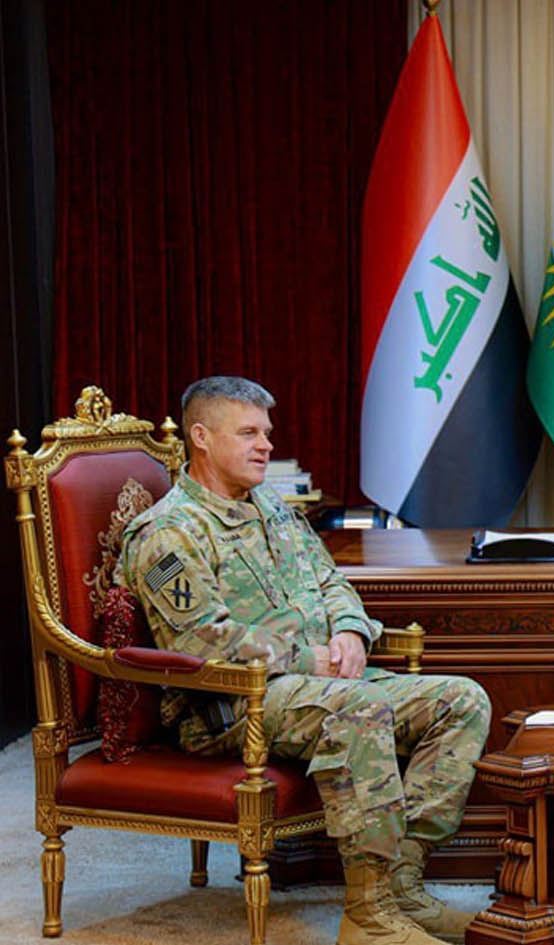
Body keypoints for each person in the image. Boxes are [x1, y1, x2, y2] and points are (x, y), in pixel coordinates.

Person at [117, 376, 491, 945]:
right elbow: (198, 641)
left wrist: (350, 631)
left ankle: (401, 885)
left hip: (322, 685)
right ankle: (367, 916)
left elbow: (330, 580)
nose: (266, 445)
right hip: (231, 706)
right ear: (201, 437)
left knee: (461, 700)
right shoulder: (168, 533)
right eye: (248, 433)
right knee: (359, 708)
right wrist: (306, 658)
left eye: (266, 432)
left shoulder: (273, 508)